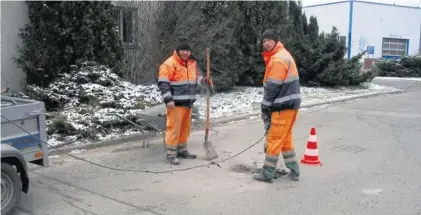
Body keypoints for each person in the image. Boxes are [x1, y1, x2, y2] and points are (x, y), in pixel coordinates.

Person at [253, 29, 301, 183]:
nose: (266, 43)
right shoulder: (283, 55)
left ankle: (267, 173)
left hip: (282, 105)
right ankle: (294, 170)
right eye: (264, 41)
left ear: (275, 41)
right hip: (290, 105)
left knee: (274, 139)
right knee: (285, 140)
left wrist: (265, 107)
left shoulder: (278, 60)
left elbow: (272, 87)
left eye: (269, 40)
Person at [157, 37, 212, 165]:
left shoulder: (191, 63)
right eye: (183, 50)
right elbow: (163, 83)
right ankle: (171, 154)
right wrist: (168, 99)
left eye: (187, 50)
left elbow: (195, 79)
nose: (186, 53)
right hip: (175, 103)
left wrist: (204, 81)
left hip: (188, 102)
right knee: (174, 128)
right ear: (178, 50)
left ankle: (181, 150)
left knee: (185, 129)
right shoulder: (169, 64)